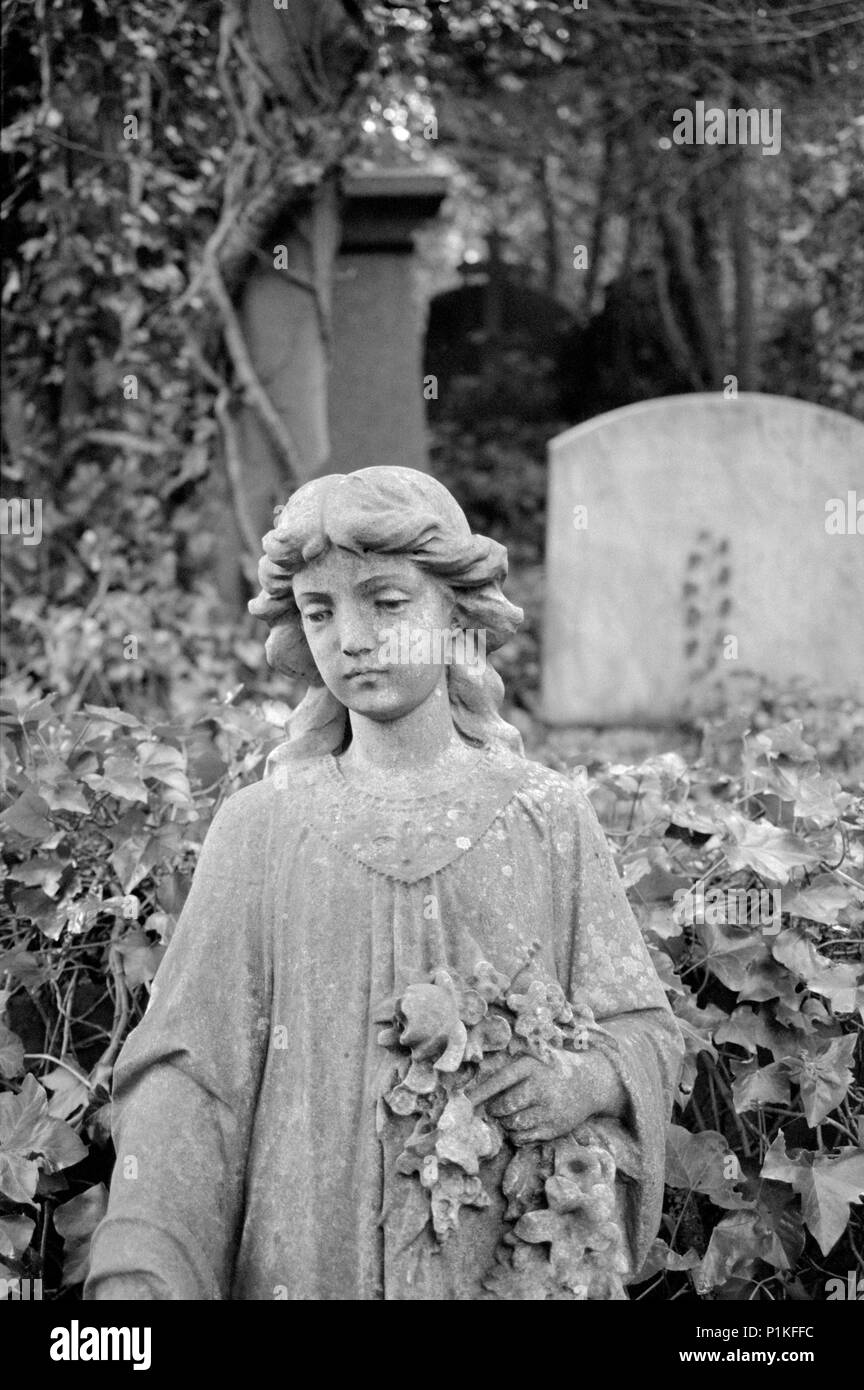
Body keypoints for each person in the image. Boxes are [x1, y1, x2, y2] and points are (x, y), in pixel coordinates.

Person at [85, 466, 683, 1301]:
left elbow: (646, 1032)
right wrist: (143, 1275)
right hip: (304, 1265)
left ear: (455, 613)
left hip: (503, 1264)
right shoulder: (262, 828)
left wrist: (587, 1079)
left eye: (387, 603)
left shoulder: (547, 817)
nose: (352, 638)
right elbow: (191, 1081)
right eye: (321, 612)